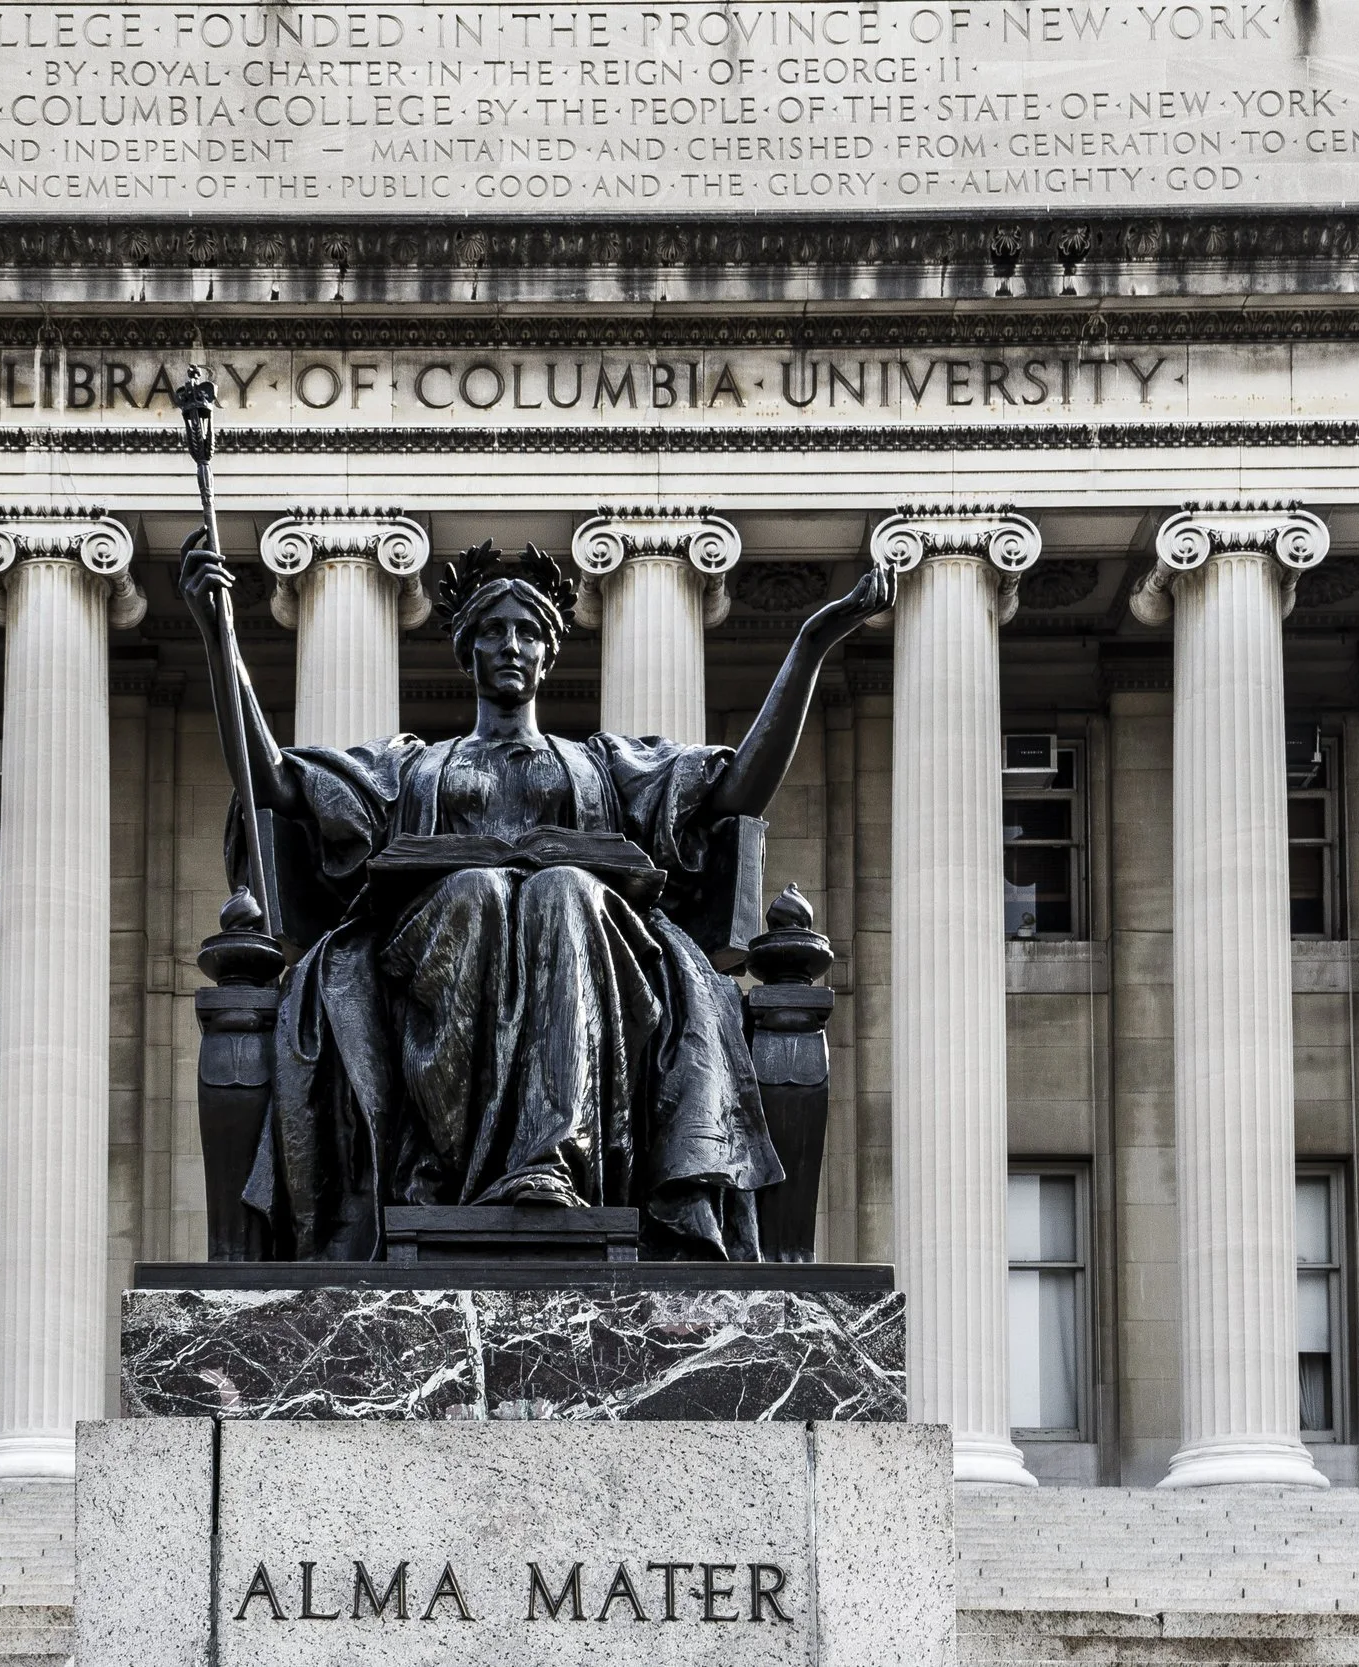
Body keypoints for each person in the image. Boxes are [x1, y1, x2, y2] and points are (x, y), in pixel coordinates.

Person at [182, 536, 892, 1260]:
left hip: (593, 949)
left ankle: (553, 1162)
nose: (511, 645)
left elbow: (737, 788)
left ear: (550, 653)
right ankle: (446, 1170)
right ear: (468, 651)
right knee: (478, 892)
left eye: (528, 632)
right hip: (436, 948)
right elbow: (272, 781)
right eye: (493, 631)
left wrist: (811, 643)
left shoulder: (602, 768)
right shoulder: (412, 767)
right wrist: (221, 641)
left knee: (561, 891)